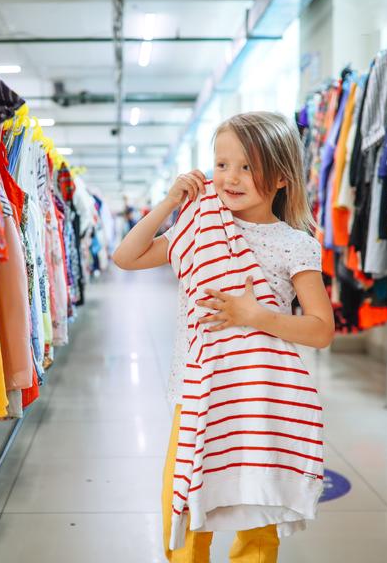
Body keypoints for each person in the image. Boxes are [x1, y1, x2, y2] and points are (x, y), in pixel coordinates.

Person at [113, 111, 334, 563]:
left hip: (259, 397)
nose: (230, 178)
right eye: (221, 164)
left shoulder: (294, 243)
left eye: (247, 166)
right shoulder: (198, 227)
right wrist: (169, 203)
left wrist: (254, 315)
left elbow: (321, 329)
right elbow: (126, 257)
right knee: (186, 509)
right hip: (196, 393)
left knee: (256, 511)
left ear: (280, 178)